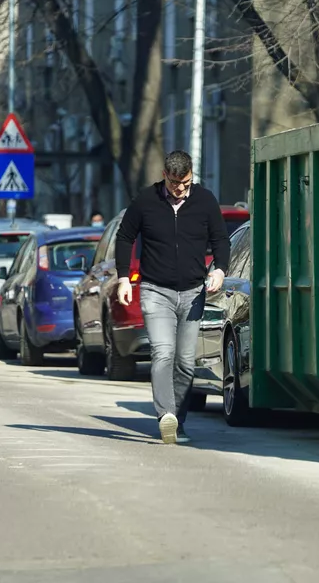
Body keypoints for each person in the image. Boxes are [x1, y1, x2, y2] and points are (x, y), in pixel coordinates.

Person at [114, 150, 230, 444]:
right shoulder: (146, 200)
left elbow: (220, 239)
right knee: (163, 352)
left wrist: (219, 270)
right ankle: (165, 414)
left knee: (185, 363)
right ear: (165, 175)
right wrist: (124, 278)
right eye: (175, 183)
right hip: (156, 291)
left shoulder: (204, 200)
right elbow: (125, 236)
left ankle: (177, 422)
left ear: (191, 175)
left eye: (186, 183)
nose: (180, 189)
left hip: (193, 293)